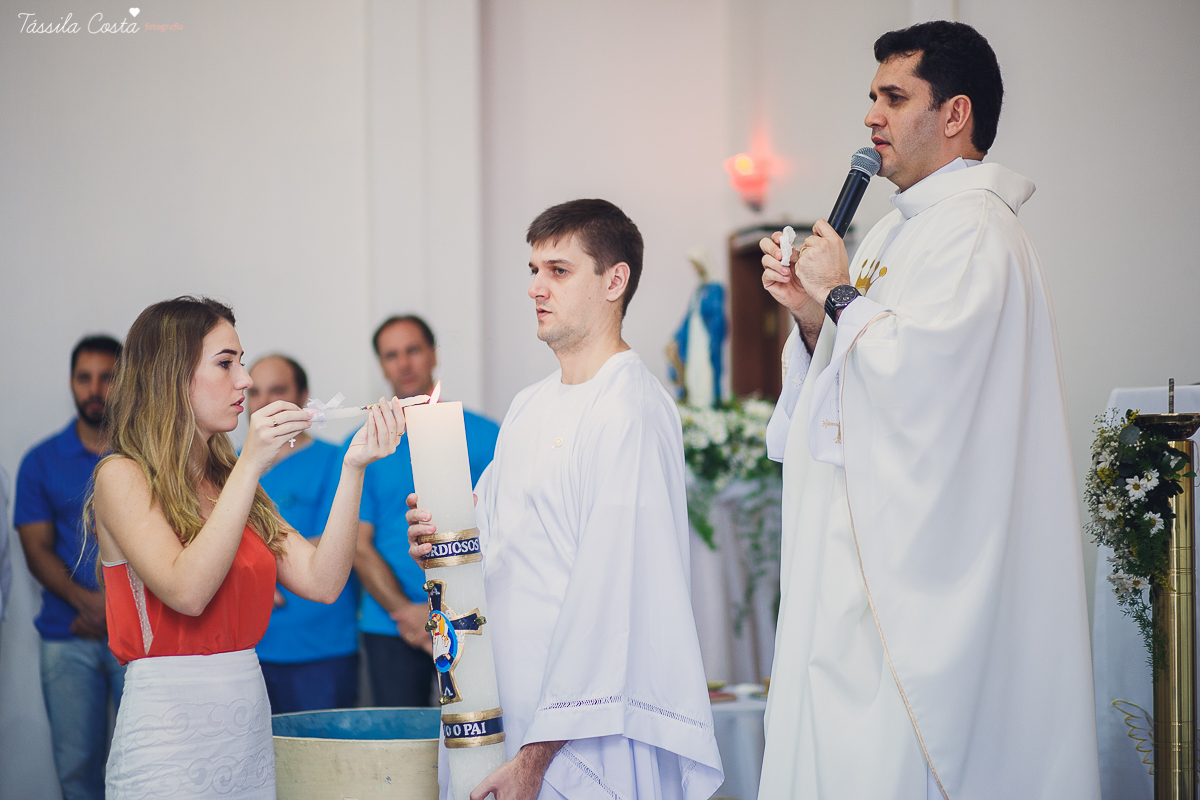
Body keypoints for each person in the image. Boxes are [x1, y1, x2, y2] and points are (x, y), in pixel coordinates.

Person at [756, 21, 1099, 799]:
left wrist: (840, 294)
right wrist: (812, 319)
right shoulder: (886, 235)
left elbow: (928, 389)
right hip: (850, 577)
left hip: (915, 590)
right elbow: (852, 380)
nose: (872, 117)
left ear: (956, 114)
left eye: (894, 97)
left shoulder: (977, 232)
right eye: (872, 98)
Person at [408, 199, 723, 800]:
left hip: (580, 733)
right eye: (533, 270)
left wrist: (538, 757)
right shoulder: (529, 404)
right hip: (501, 700)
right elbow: (490, 540)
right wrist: (440, 538)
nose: (535, 288)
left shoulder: (629, 407)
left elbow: (613, 597)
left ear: (615, 280)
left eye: (557, 270)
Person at [89, 297, 403, 798]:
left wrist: (353, 467)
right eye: (225, 363)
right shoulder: (120, 476)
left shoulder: (232, 483)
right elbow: (186, 591)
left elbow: (322, 582)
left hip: (246, 720)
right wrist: (251, 464)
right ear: (173, 375)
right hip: (168, 729)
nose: (246, 382)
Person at [353, 314, 499, 707]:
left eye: (413, 350)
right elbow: (358, 545)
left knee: (476, 735)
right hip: (391, 625)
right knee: (401, 750)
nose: (404, 363)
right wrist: (407, 612)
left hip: (472, 616)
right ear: (382, 364)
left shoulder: (486, 436)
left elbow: (504, 527)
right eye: (391, 355)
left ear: (432, 353)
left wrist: (445, 612)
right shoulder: (367, 444)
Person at [15, 334, 126, 800]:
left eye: (108, 377)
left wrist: (115, 611)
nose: (95, 388)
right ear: (72, 383)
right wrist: (90, 604)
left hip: (138, 639)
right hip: (69, 634)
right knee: (77, 769)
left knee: (140, 763)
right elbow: (36, 548)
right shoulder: (40, 460)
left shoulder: (143, 455)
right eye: (85, 378)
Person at [247, 354, 360, 713]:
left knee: (322, 762)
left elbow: (334, 542)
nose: (264, 403)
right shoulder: (232, 465)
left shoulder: (336, 460)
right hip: (249, 647)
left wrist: (258, 574)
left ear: (303, 396)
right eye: (256, 392)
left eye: (276, 391)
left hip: (319, 645)